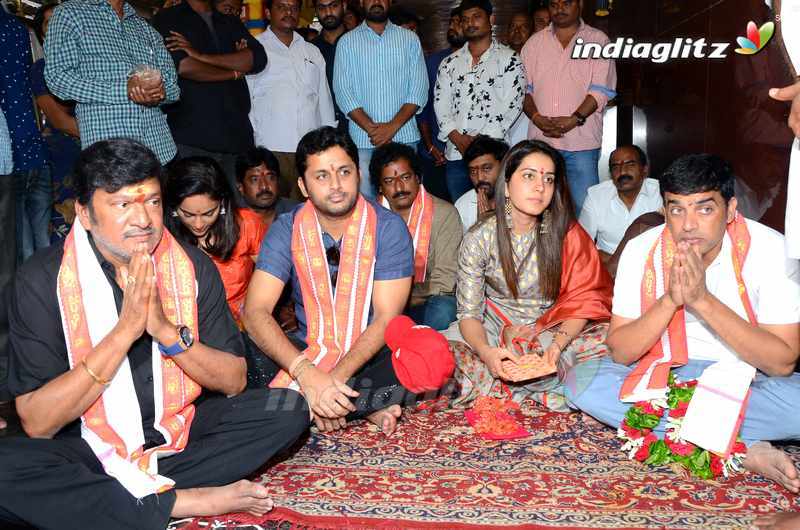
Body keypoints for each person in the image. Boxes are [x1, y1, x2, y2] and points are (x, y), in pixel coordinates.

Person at [0, 138, 309, 529]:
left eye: (151, 201)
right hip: (85, 446)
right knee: (7, 468)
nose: (143, 219)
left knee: (286, 409)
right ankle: (177, 501)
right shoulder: (41, 279)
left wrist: (164, 330)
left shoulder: (192, 265)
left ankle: (112, 497)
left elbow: (234, 380)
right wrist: (124, 332)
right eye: (122, 204)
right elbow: (38, 422)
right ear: (84, 212)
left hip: (178, 431)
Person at [565, 154, 800, 494]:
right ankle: (743, 447)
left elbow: (781, 362)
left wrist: (702, 300)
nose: (688, 224)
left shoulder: (771, 250)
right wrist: (671, 300)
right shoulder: (640, 250)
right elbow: (620, 351)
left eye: (704, 209)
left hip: (749, 380)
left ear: (731, 209)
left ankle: (701, 436)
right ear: (664, 210)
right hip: (666, 376)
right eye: (676, 209)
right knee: (580, 382)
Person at [243, 126, 437, 436]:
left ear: (358, 173)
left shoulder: (388, 228)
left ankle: (321, 404)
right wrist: (307, 373)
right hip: (307, 351)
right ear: (303, 186)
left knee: (431, 356)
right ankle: (365, 404)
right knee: (246, 348)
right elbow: (255, 310)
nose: (335, 185)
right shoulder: (286, 228)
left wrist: (330, 382)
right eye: (321, 176)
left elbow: (387, 318)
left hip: (370, 356)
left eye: (344, 172)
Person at [444, 139, 613, 411]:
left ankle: (509, 387)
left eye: (548, 179)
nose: (540, 187)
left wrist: (555, 347)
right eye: (529, 176)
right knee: (439, 356)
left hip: (550, 327)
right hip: (493, 326)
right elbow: (469, 314)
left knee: (612, 338)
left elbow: (586, 299)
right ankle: (543, 387)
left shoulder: (566, 234)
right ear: (507, 184)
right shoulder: (480, 237)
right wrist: (487, 352)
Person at [152, 0, 267, 197]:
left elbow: (257, 59)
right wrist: (233, 72)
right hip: (193, 139)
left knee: (238, 216)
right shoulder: (168, 18)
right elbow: (184, 67)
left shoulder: (229, 21)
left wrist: (200, 56)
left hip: (237, 138)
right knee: (195, 212)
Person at [44, 0, 179, 165]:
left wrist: (159, 94)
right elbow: (57, 77)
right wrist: (124, 90)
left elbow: (173, 87)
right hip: (110, 156)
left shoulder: (144, 27)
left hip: (161, 151)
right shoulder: (70, 13)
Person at [520, 0, 617, 213]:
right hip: (541, 143)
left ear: (580, 4)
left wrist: (574, 119)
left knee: (585, 211)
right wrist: (537, 118)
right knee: (539, 210)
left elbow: (602, 90)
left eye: (566, 3)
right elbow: (522, 91)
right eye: (554, 4)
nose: (559, 8)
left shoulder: (598, 41)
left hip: (580, 144)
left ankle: (583, 248)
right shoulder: (534, 44)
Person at [333, 0, 428, 199]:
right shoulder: (347, 42)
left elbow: (419, 90)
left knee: (407, 202)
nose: (376, 2)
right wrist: (373, 130)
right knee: (369, 208)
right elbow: (343, 92)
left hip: (404, 138)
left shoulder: (410, 39)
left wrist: (391, 127)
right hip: (364, 141)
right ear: (361, 2)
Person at [434, 0, 524, 202]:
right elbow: (440, 105)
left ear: (490, 19)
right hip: (457, 155)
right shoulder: (449, 63)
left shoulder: (510, 59)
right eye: (465, 19)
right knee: (462, 212)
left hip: (494, 156)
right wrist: (457, 137)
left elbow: (512, 105)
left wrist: (479, 144)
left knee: (504, 210)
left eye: (476, 17)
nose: (470, 23)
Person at [247, 0, 336, 200]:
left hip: (310, 149)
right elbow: (248, 102)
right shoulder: (255, 49)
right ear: (268, 12)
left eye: (294, 8)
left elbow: (324, 100)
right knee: (274, 212)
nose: (289, 12)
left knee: (309, 211)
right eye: (282, 7)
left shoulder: (311, 51)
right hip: (271, 148)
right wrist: (255, 145)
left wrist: (328, 143)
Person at [165, 156, 267, 326]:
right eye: (188, 215)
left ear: (222, 204)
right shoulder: (164, 235)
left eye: (208, 214)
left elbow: (271, 277)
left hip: (243, 325)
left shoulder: (246, 224)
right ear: (174, 208)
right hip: (189, 328)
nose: (198, 225)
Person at [370, 142, 462, 330]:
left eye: (405, 177)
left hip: (425, 300)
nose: (399, 186)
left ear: (418, 178)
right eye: (389, 181)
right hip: (380, 301)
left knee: (444, 309)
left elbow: (444, 282)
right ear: (379, 187)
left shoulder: (445, 213)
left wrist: (401, 299)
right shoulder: (368, 217)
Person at [1, 6, 51, 265]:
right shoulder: (21, 30)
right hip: (26, 146)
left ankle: (34, 300)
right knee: (36, 242)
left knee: (21, 245)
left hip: (18, 152)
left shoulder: (21, 30)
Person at [31, 0, 82, 243]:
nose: (59, 26)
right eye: (51, 22)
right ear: (42, 32)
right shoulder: (41, 69)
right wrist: (104, 134)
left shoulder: (87, 65)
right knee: (66, 226)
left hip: (91, 150)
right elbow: (58, 120)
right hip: (64, 153)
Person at [578, 145, 663, 266]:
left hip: (650, 266)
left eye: (630, 164)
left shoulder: (660, 192)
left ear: (644, 169)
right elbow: (582, 244)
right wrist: (618, 265)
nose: (622, 171)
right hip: (607, 266)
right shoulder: (596, 195)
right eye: (616, 166)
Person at [417, 6, 464, 202]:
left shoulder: (482, 63)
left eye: (459, 23)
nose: (453, 27)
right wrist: (430, 146)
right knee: (437, 213)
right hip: (435, 155)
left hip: (467, 154)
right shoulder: (434, 61)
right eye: (451, 23)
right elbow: (423, 107)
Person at [454, 135, 508, 233]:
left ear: (503, 166)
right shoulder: (462, 205)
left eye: (486, 168)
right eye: (473, 172)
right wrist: (480, 227)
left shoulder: (519, 201)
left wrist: (488, 226)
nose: (480, 178)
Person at [235, 146, 299, 228]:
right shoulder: (231, 220)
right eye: (255, 179)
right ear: (240, 187)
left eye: (270, 177)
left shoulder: (296, 213)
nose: (264, 186)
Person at [311, 0, 349, 133]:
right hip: (321, 127)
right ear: (316, 11)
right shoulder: (310, 50)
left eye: (333, 6)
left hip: (358, 126)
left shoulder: (359, 43)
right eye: (322, 8)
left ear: (344, 6)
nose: (328, 13)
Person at [504, 11, 534, 148]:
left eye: (523, 27)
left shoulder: (540, 61)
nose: (517, 31)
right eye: (513, 27)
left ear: (533, 33)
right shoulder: (496, 59)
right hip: (501, 127)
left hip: (530, 124)